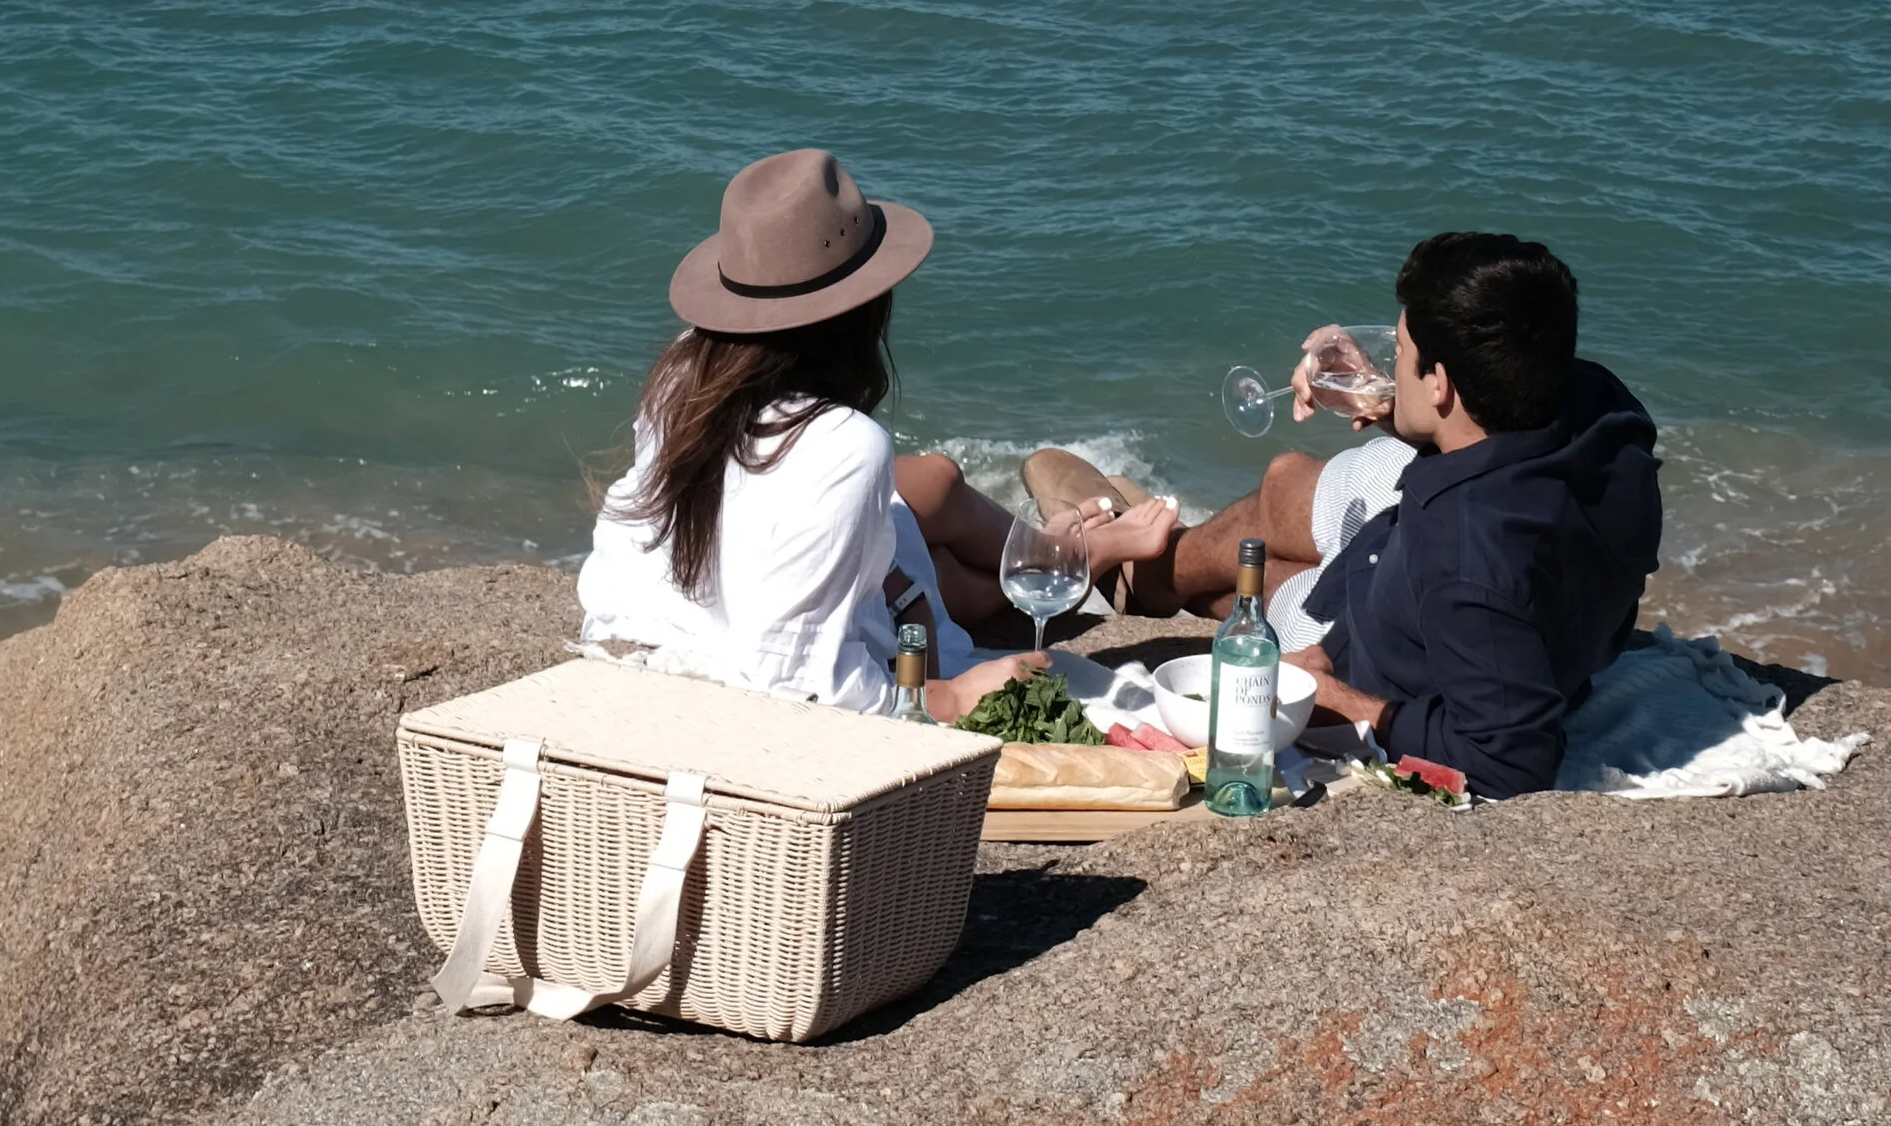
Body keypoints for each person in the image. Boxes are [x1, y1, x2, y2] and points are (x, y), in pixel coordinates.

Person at [577, 147, 1181, 719]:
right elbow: (799, 682)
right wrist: (953, 695)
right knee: (929, 555)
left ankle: (1062, 553)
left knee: (924, 535)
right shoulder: (842, 444)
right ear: (864, 308)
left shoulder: (687, 370)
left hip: (649, 633)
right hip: (730, 679)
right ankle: (1074, 556)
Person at [1120, 232, 1661, 799]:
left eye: (1400, 354)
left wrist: (1341, 701)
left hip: (1366, 660)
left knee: (1274, 582)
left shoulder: (1468, 559)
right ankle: (1148, 561)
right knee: (1286, 483)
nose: (1392, 361)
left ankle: (1136, 573)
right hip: (1415, 550)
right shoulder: (1597, 399)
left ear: (1441, 384)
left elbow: (1511, 765)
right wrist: (1383, 397)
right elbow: (1474, 425)